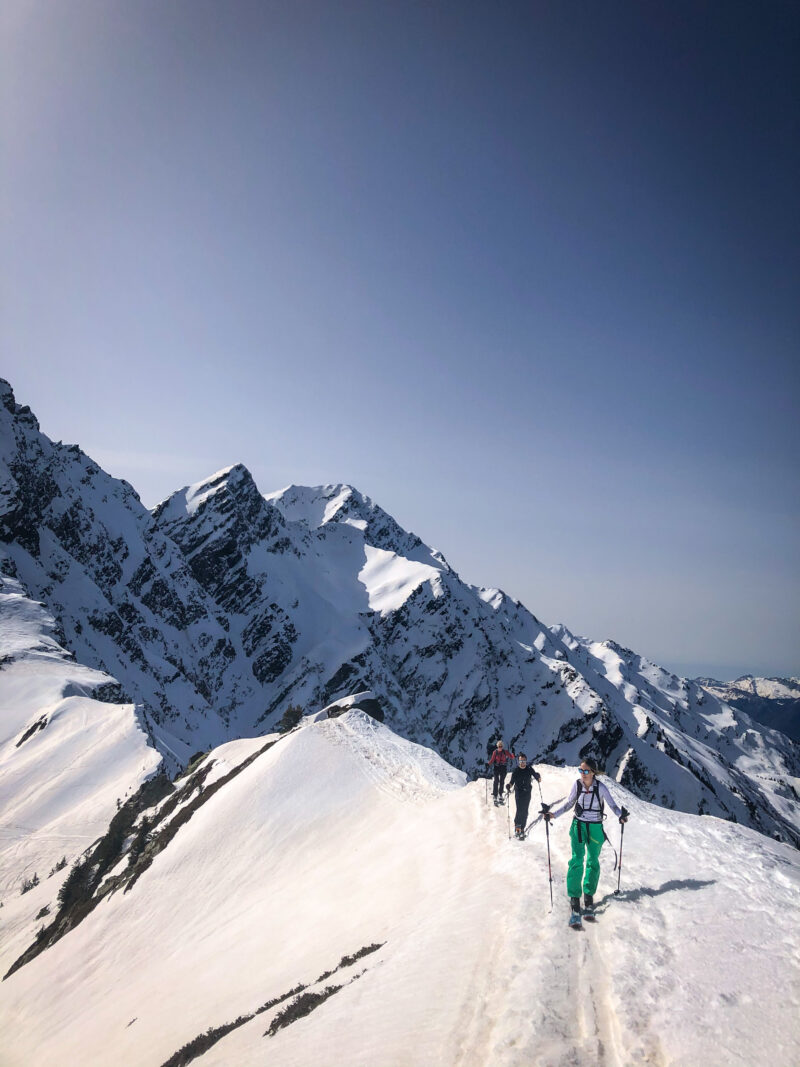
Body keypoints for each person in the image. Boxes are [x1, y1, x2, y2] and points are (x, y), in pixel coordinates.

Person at [543, 757, 628, 919]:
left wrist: (620, 816)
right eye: (580, 770)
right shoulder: (577, 785)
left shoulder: (601, 788)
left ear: (593, 772)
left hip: (595, 827)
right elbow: (569, 804)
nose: (583, 774)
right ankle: (575, 896)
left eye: (586, 771)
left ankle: (588, 894)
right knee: (577, 859)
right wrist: (553, 814)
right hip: (578, 826)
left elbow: (613, 806)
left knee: (593, 861)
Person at [507, 753, 540, 836]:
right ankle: (517, 829)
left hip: (527, 792)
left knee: (525, 811)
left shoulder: (529, 769)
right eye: (521, 761)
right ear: (518, 761)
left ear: (526, 761)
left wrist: (538, 777)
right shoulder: (516, 771)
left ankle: (522, 828)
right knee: (519, 810)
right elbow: (512, 782)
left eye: (524, 761)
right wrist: (508, 786)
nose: (522, 762)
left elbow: (536, 776)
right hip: (518, 793)